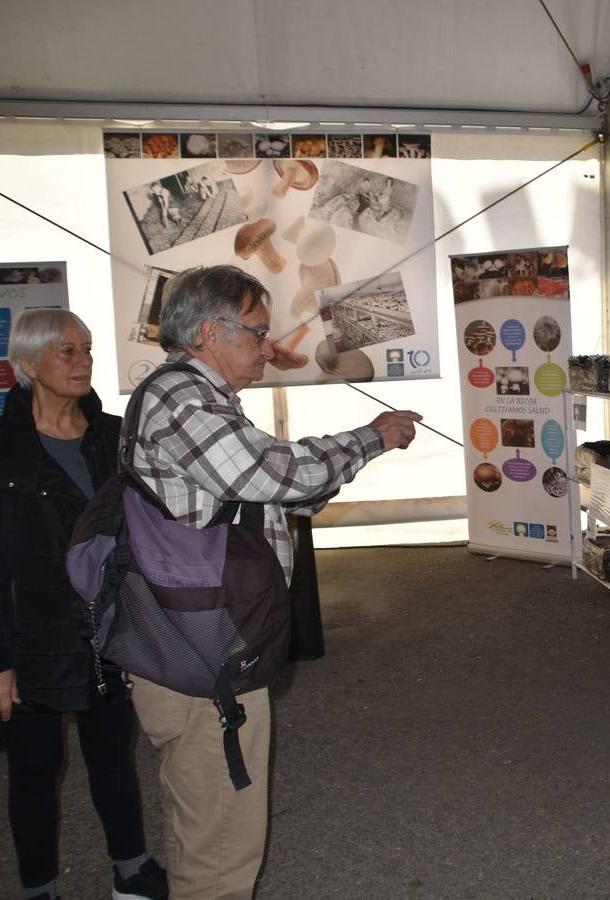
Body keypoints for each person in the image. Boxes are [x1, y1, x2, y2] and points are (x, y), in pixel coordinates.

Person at [125, 264, 421, 899]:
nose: (268, 348)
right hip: (199, 654)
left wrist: (334, 466)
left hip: (199, 644)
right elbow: (273, 475)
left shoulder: (201, 398)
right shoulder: (181, 399)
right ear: (209, 332)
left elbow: (274, 493)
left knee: (202, 834)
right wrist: (369, 438)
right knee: (224, 849)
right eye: (257, 333)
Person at [0, 309, 168, 900]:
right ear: (27, 365)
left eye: (86, 349)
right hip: (30, 636)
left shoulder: (116, 438)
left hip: (109, 625)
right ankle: (38, 887)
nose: (83, 360)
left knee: (112, 755)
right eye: (66, 351)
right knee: (35, 770)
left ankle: (131, 870)